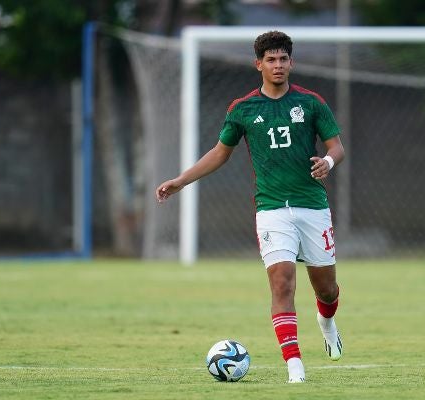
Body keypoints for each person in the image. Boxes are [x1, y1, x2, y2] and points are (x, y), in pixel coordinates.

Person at [155, 30, 345, 383]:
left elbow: (337, 147)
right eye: (270, 60)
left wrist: (328, 163)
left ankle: (328, 323)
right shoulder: (242, 109)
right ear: (258, 64)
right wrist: (181, 180)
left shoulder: (312, 103)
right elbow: (219, 153)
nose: (277, 65)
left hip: (312, 206)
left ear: (291, 63)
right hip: (271, 210)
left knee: (326, 289)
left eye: (283, 59)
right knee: (282, 284)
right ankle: (295, 368)